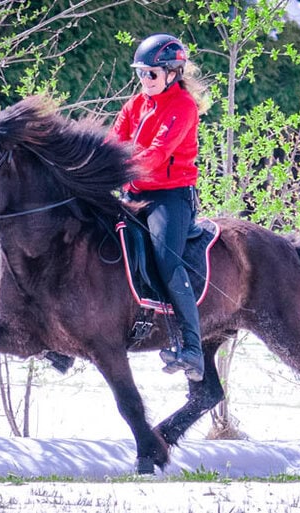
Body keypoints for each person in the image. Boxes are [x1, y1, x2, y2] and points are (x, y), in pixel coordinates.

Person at [108, 33, 210, 382]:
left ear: (172, 73)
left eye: (151, 74)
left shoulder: (182, 107)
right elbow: (112, 142)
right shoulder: (135, 104)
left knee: (166, 259)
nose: (144, 80)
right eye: (140, 73)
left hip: (170, 196)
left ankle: (193, 348)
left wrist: (119, 167)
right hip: (133, 193)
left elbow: (155, 155)